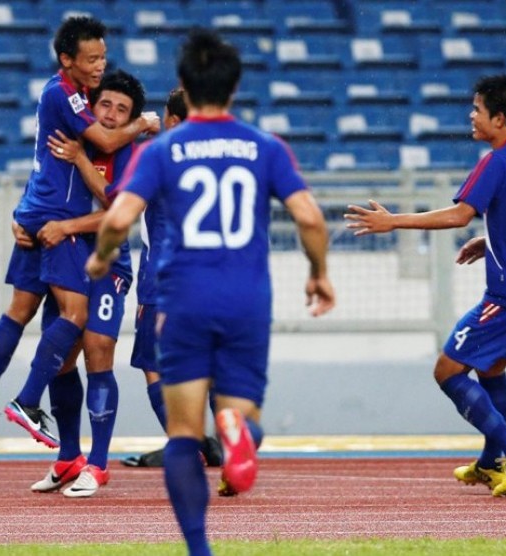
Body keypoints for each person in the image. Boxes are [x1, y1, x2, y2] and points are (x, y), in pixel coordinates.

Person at [86, 28, 336, 556]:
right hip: (247, 300)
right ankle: (236, 427)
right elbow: (310, 218)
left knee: (182, 434)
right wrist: (318, 272)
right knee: (245, 415)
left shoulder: (161, 150)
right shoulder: (264, 147)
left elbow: (120, 216)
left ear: (183, 84)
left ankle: (200, 549)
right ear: (235, 86)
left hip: (182, 300)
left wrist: (103, 255)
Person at [345, 74, 506, 497]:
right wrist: (494, 239)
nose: (471, 115)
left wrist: (392, 221)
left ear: (498, 119)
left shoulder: (497, 160)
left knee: (447, 370)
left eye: (478, 109)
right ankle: (489, 465)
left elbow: (458, 215)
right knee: (490, 368)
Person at [0, 15, 160, 455]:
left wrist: (24, 212)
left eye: (104, 58)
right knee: (72, 323)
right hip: (62, 228)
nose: (99, 66)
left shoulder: (83, 107)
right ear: (67, 60)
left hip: (50, 221)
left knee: (24, 314)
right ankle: (28, 404)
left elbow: (110, 197)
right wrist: (143, 122)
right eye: (91, 59)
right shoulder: (68, 97)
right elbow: (106, 162)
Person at [18, 69, 145, 497]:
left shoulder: (129, 151)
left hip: (109, 263)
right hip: (66, 259)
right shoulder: (71, 136)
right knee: (63, 356)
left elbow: (116, 208)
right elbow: (41, 188)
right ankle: (69, 456)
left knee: (98, 352)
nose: (110, 115)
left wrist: (80, 167)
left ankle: (99, 464)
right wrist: (26, 224)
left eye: (121, 110)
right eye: (105, 104)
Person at [120, 88, 222, 470]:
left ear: (176, 121)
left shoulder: (155, 156)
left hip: (162, 277)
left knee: (155, 366)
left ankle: (186, 445)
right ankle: (225, 444)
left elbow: (119, 200)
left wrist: (136, 128)